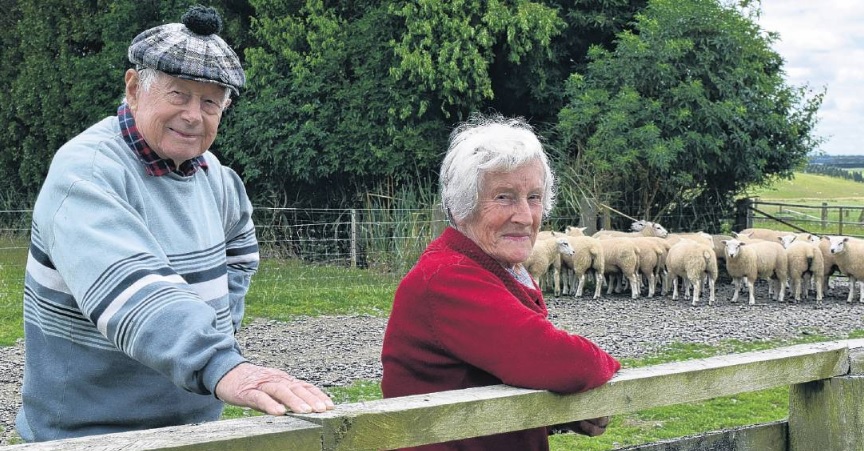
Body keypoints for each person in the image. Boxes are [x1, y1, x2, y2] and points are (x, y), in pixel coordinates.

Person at [15, 5, 333, 442]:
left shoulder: (216, 177)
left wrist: (216, 330)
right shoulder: (87, 174)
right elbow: (131, 286)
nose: (193, 115)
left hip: (193, 431)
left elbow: (240, 255)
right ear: (133, 88)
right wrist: (218, 363)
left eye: (210, 103)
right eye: (178, 94)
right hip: (87, 434)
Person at [380, 114, 621, 450]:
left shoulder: (495, 268)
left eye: (534, 197)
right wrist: (607, 363)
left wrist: (557, 414)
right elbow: (553, 359)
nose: (524, 216)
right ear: (462, 205)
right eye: (505, 197)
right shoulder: (446, 278)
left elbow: (487, 377)